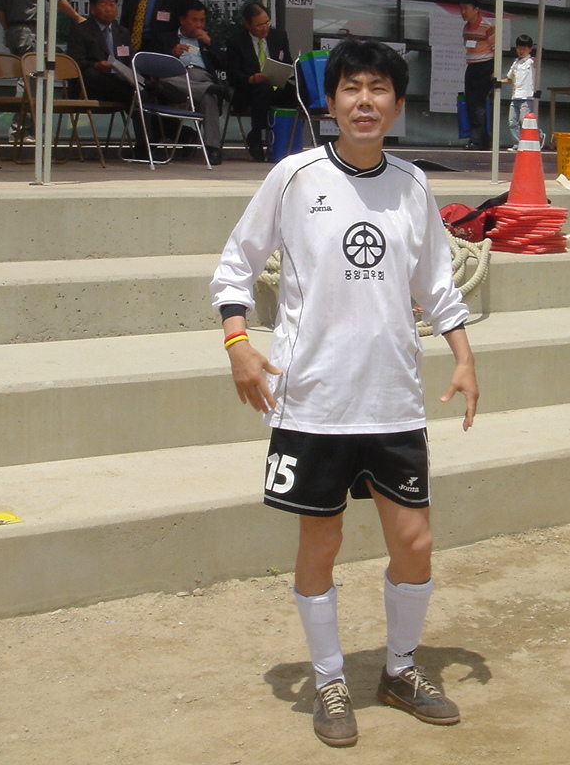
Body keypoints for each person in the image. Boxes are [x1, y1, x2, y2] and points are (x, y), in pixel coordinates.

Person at [209, 38, 478, 748]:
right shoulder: (294, 177)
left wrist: (463, 358)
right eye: (352, 88)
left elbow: (437, 285)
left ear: (397, 103)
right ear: (331, 103)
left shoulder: (413, 185)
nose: (365, 101)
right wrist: (238, 344)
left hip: (392, 399)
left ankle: (400, 669)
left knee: (415, 540)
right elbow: (236, 264)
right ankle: (329, 678)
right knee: (320, 540)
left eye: (378, 88)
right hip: (313, 402)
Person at [65, 0, 144, 156]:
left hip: (119, 86)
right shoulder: (81, 30)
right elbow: (75, 62)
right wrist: (96, 65)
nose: (109, 9)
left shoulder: (122, 32)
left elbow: (130, 60)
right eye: (103, 4)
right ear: (92, 9)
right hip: (90, 87)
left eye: (112, 4)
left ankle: (147, 144)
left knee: (142, 93)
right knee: (134, 92)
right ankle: (146, 146)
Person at [225, 0, 294, 161]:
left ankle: (285, 138)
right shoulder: (236, 42)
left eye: (267, 23)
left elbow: (287, 62)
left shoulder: (279, 36)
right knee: (263, 89)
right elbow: (233, 75)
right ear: (248, 25)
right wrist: (251, 79)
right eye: (259, 25)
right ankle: (256, 136)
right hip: (249, 91)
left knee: (294, 91)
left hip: (276, 86)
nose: (265, 28)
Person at [172, 0, 227, 164]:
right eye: (194, 20)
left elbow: (225, 64)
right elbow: (156, 64)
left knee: (209, 96)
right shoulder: (168, 38)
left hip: (201, 77)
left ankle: (212, 149)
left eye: (202, 21)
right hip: (176, 80)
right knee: (163, 80)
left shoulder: (207, 40)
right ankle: (208, 89)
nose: (198, 25)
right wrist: (172, 54)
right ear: (182, 20)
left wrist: (209, 43)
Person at [457, 0, 496, 149]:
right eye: (461, 8)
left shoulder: (488, 27)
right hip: (472, 66)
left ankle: (476, 140)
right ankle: (482, 140)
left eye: (465, 8)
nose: (462, 12)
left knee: (478, 104)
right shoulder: (466, 28)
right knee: (471, 103)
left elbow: (496, 49)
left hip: (485, 66)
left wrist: (495, 71)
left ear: (476, 9)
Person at [499, 33, 538, 148]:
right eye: (519, 48)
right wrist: (498, 81)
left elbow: (537, 64)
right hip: (515, 97)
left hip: (526, 97)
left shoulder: (531, 62)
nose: (521, 51)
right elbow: (509, 79)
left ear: (530, 49)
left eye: (524, 48)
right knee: (512, 122)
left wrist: (537, 58)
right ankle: (518, 143)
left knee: (524, 120)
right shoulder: (515, 63)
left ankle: (539, 135)